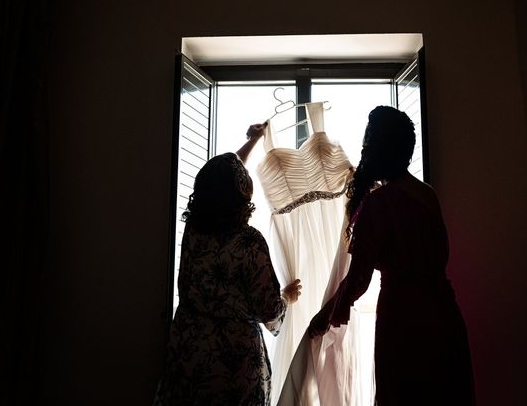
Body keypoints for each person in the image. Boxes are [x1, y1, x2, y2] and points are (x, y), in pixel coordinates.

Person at [308, 106, 475, 405]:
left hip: (404, 322)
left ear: (380, 147)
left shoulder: (378, 204)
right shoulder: (428, 194)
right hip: (444, 314)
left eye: (368, 141)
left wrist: (325, 314)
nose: (363, 148)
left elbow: (359, 278)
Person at [154, 122, 302, 406]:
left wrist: (254, 141)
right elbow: (268, 309)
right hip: (232, 362)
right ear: (242, 194)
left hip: (188, 349)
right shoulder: (249, 241)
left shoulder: (195, 229)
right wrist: (288, 296)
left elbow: (219, 179)